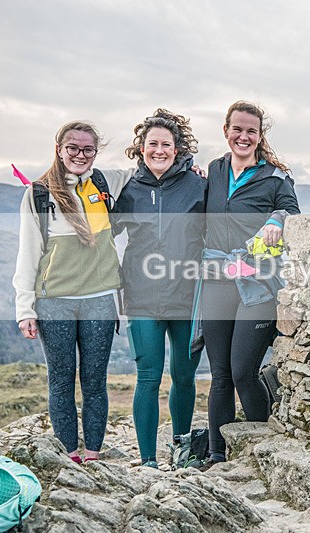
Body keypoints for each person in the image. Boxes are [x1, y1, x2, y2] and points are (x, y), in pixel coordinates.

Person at [13, 121, 133, 463]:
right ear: (59, 149)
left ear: (96, 152)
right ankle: (70, 456)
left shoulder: (105, 182)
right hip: (54, 303)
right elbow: (28, 253)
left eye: (88, 149)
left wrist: (190, 167)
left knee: (95, 381)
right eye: (73, 148)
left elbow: (150, 166)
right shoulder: (38, 193)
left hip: (100, 299)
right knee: (61, 381)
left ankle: (93, 455)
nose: (80, 155)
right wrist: (25, 309)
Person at [199, 100, 300, 467]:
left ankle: (263, 449)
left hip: (259, 282)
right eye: (237, 129)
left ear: (260, 136)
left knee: (243, 372)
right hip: (218, 278)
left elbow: (293, 213)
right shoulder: (214, 170)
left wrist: (277, 218)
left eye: (251, 131)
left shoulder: (275, 177)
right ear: (226, 130)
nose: (243, 136)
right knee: (221, 375)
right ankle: (217, 455)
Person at [112, 109, 207, 469]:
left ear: (177, 148)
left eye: (166, 144)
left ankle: (182, 452)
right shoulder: (128, 189)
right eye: (153, 143)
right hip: (142, 297)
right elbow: (103, 231)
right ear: (142, 148)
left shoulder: (198, 185)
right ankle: (148, 460)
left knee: (183, 376)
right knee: (148, 378)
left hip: (188, 296)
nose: (159, 150)